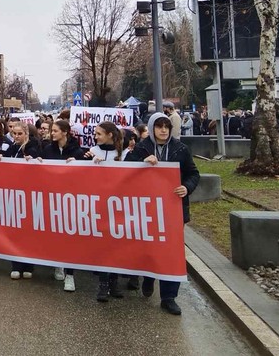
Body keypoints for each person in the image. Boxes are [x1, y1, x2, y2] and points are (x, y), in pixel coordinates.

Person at [125, 113, 200, 315]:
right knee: (149, 247)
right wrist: (141, 161)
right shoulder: (141, 147)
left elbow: (193, 173)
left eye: (166, 126)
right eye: (159, 126)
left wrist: (186, 187)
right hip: (147, 209)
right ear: (151, 128)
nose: (164, 130)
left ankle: (169, 297)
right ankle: (148, 277)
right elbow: (125, 170)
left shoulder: (181, 149)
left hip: (173, 209)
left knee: (171, 252)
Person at [39, 119, 84, 291]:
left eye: (55, 131)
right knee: (56, 234)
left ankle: (70, 274)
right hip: (52, 198)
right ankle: (58, 264)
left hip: (71, 199)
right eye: (52, 131)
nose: (52, 134)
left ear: (65, 132)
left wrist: (78, 164)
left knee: (70, 237)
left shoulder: (78, 151)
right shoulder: (48, 149)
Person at [87, 121, 127, 302]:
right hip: (99, 206)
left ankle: (114, 282)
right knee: (103, 246)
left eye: (99, 134)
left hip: (118, 207)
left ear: (110, 135)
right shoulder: (93, 152)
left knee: (116, 247)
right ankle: (103, 284)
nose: (95, 137)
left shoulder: (124, 154)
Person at [0, 121, 39, 280]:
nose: (16, 136)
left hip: (28, 196)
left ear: (26, 134)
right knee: (14, 231)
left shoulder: (33, 148)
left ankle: (28, 265)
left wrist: (34, 160)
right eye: (14, 133)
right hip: (13, 195)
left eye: (19, 134)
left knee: (27, 232)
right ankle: (15, 264)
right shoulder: (12, 147)